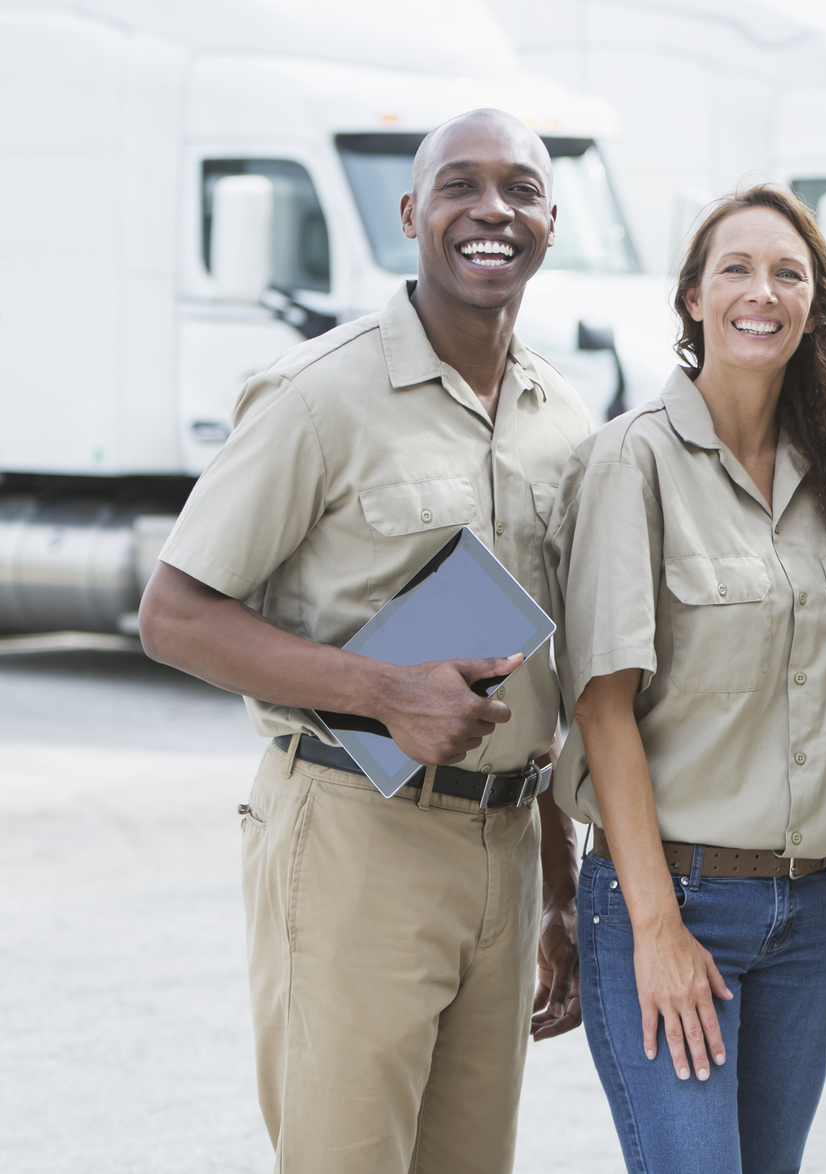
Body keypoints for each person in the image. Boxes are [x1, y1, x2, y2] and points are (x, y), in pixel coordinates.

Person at [137, 108, 593, 1173]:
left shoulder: (562, 418)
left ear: (551, 220)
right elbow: (175, 614)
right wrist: (385, 692)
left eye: (520, 188)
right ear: (409, 214)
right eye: (460, 186)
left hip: (508, 847)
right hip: (353, 835)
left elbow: (544, 680)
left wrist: (560, 889)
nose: (492, 210)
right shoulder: (318, 396)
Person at [552, 185, 826, 1174]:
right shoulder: (632, 464)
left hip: (815, 909)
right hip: (676, 894)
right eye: (737, 270)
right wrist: (657, 929)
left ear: (812, 306)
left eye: (788, 273)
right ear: (692, 299)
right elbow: (600, 705)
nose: (764, 292)